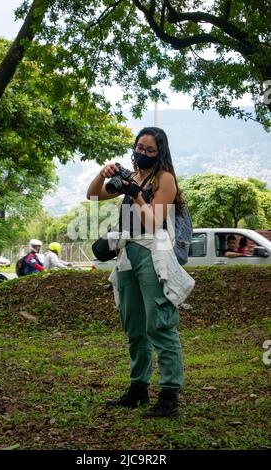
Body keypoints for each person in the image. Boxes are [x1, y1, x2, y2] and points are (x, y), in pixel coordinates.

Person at [86, 127, 195, 418]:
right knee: (133, 325)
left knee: (159, 324)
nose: (143, 153)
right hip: (126, 253)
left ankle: (169, 395)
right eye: (140, 148)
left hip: (152, 253)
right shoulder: (131, 177)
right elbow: (93, 196)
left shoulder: (165, 179)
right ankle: (138, 388)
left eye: (150, 149)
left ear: (160, 152)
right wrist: (104, 173)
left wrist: (137, 196)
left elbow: (153, 223)